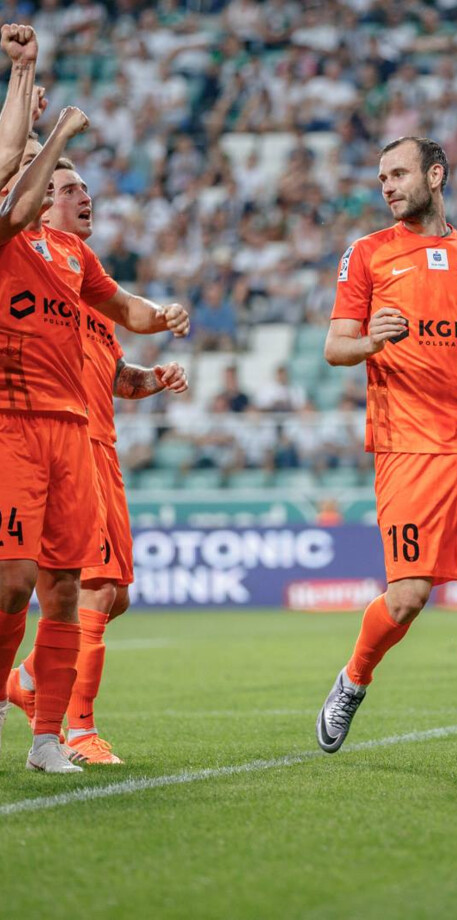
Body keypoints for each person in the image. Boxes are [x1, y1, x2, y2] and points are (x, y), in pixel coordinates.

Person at [315, 136, 457, 769]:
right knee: (408, 597)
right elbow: (334, 346)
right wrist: (369, 343)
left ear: (435, 175)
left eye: (399, 173)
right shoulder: (368, 254)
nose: (386, 186)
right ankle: (354, 679)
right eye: (381, 176)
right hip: (407, 446)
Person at [0, 74, 189, 772]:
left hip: (81, 439)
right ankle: (50, 714)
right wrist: (49, 131)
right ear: (40, 198)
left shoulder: (79, 269)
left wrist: (160, 324)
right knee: (29, 583)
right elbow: (11, 196)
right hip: (20, 426)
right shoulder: (12, 243)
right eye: (72, 189)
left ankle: (40, 716)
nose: (87, 198)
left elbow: (120, 337)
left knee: (89, 591)